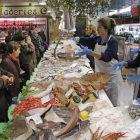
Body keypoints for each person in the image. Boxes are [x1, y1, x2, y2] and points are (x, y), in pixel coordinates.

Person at [71, 17, 123, 107]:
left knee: (112, 100)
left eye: (99, 27)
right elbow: (85, 39)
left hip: (112, 75)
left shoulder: (113, 41)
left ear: (106, 29)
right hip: (100, 75)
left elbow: (107, 57)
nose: (97, 29)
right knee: (101, 97)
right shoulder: (97, 39)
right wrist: (77, 39)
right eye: (97, 27)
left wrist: (90, 52)